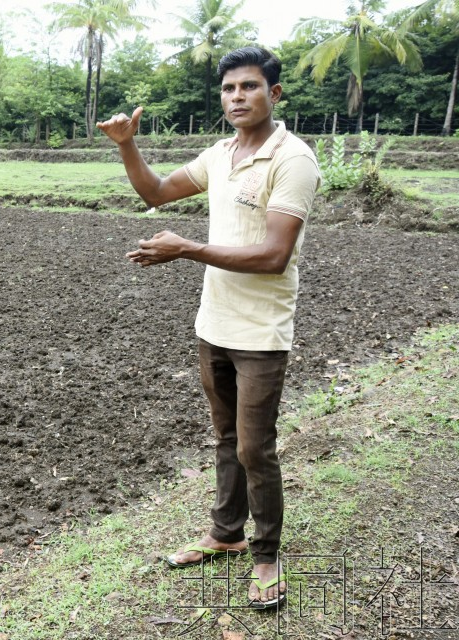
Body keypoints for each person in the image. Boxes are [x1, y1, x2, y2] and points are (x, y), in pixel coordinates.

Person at [97, 46, 320, 610]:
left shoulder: (292, 159)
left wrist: (187, 248)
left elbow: (273, 255)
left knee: (255, 448)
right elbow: (155, 193)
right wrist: (128, 145)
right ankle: (226, 532)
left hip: (262, 333)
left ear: (275, 93)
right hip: (213, 324)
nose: (237, 97)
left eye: (249, 87)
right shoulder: (220, 154)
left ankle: (266, 556)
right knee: (226, 439)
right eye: (228, 89)